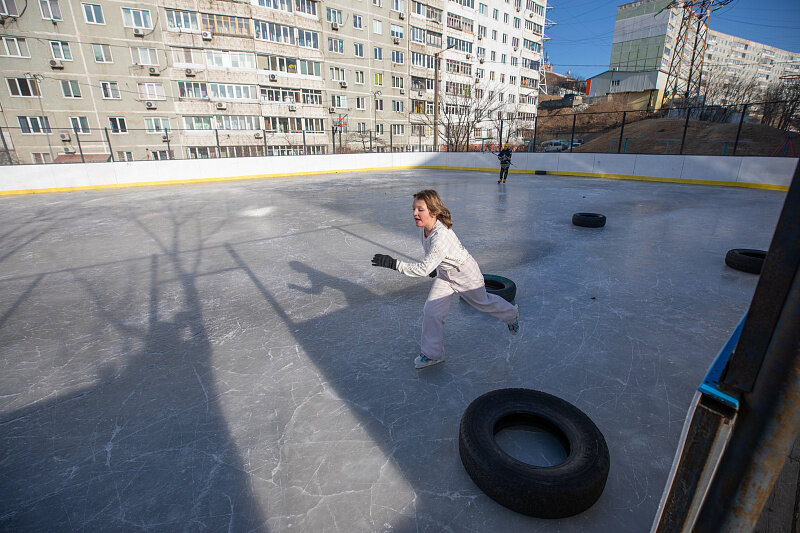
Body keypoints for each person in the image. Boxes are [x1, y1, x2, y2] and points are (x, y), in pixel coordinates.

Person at [371, 189, 519, 369]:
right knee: (432, 311)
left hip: (465, 274)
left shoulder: (441, 235)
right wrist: (435, 266)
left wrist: (394, 264)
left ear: (433, 212)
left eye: (420, 209)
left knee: (483, 303)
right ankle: (432, 354)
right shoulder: (426, 229)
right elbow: (431, 256)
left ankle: (511, 315)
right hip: (445, 273)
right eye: (414, 209)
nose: (414, 213)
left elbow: (423, 268)